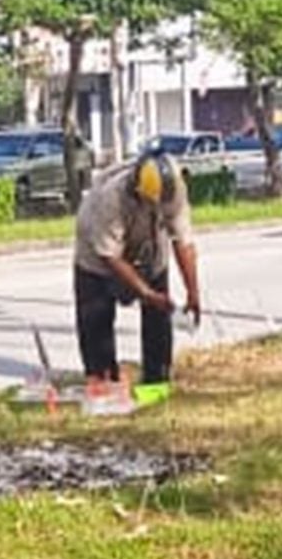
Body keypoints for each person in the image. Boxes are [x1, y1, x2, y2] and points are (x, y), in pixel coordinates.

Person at [73, 151, 200, 399]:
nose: (159, 209)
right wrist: (144, 293)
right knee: (95, 317)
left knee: (159, 315)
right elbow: (110, 256)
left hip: (148, 248)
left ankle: (155, 384)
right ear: (138, 191)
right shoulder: (110, 198)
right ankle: (103, 381)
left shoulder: (174, 187)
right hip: (98, 254)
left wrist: (193, 292)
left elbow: (183, 241)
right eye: (153, 204)